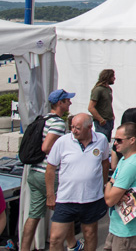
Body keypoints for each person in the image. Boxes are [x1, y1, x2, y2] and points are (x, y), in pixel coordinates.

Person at [20, 89, 81, 251]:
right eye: (67, 100)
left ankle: (24, 248)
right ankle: (71, 245)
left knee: (33, 215)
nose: (70, 103)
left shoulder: (43, 118)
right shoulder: (58, 123)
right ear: (60, 103)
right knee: (64, 212)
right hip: (48, 174)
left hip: (34, 172)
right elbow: (47, 147)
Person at [46, 113, 110, 251]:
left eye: (78, 128)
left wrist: (103, 185)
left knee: (90, 235)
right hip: (66, 199)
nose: (73, 131)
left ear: (89, 127)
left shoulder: (102, 140)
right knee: (55, 238)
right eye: (72, 127)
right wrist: (50, 195)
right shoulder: (63, 142)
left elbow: (105, 163)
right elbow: (50, 168)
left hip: (91, 198)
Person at [103, 123, 136, 251]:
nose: (115, 143)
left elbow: (109, 200)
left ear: (132, 140)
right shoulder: (124, 160)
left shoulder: (131, 165)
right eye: (114, 140)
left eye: (119, 140)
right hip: (118, 228)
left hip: (127, 233)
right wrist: (111, 186)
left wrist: (109, 186)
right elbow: (112, 185)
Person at [88, 69, 115, 140]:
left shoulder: (108, 89)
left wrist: (112, 115)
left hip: (109, 120)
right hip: (102, 123)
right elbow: (91, 107)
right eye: (113, 76)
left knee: (107, 143)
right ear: (108, 77)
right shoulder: (98, 90)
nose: (114, 78)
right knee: (101, 141)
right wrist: (101, 119)